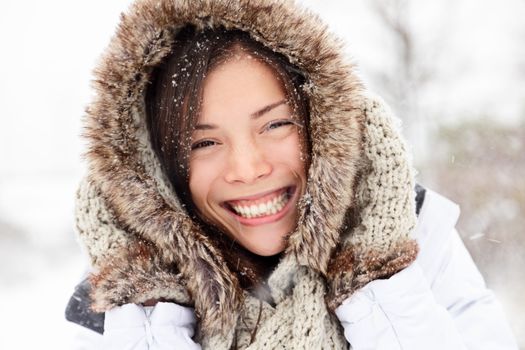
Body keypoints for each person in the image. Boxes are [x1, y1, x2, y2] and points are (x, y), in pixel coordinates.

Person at [65, 0, 518, 349]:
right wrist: (151, 313)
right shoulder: (114, 304)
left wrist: (374, 274)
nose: (248, 168)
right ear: (158, 171)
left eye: (276, 124)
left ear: (324, 124)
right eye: (204, 143)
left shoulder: (417, 243)